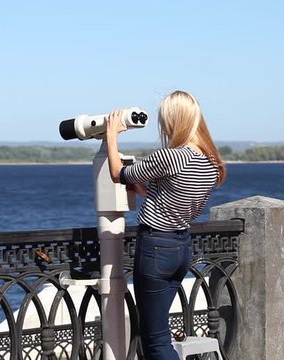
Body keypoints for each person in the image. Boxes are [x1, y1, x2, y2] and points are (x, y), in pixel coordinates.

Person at [105, 90, 226, 360]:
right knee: (158, 332)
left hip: (156, 248)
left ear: (173, 121)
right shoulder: (210, 162)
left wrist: (111, 135)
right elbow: (169, 193)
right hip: (181, 247)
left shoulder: (171, 157)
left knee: (156, 339)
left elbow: (117, 173)